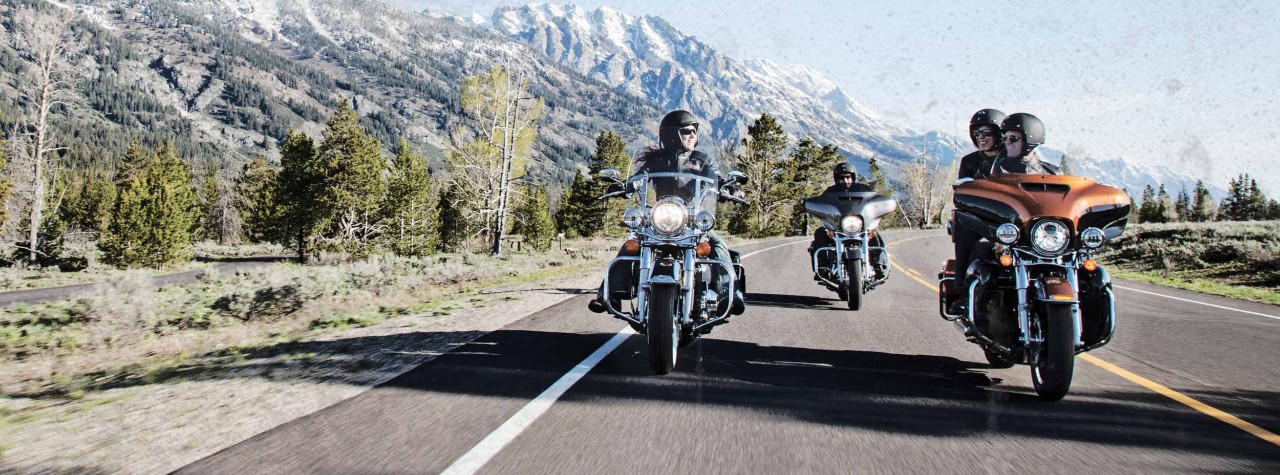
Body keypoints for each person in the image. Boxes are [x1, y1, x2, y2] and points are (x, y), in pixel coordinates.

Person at [588, 110, 741, 315]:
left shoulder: (701, 160)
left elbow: (714, 177)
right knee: (631, 246)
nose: (693, 136)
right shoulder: (655, 160)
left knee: (717, 245)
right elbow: (638, 177)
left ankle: (728, 296)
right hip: (661, 217)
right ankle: (608, 296)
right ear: (672, 134)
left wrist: (726, 187)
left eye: (694, 131)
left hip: (691, 218)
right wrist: (625, 186)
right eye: (688, 131)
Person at [949, 112, 1057, 315]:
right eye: (976, 132)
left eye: (1012, 138)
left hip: (1031, 227)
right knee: (965, 227)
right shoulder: (985, 167)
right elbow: (966, 192)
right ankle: (964, 292)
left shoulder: (1048, 171)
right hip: (995, 221)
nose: (980, 136)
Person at [808, 163, 888, 280]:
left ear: (853, 177)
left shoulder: (863, 190)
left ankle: (880, 264)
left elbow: (873, 202)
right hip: (838, 226)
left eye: (848, 177)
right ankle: (822, 267)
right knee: (820, 232)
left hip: (859, 225)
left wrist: (881, 205)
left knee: (874, 233)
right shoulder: (830, 192)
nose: (845, 180)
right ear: (837, 179)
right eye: (841, 178)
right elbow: (822, 204)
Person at [958, 109, 1006, 179]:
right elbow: (962, 187)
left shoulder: (1012, 158)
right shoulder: (969, 161)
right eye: (976, 133)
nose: (980, 137)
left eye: (986, 132)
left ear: (999, 134)